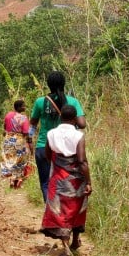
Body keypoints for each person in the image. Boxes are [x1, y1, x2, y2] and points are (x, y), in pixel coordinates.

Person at [40, 104, 92, 256]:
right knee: (77, 209)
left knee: (61, 211)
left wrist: (59, 167)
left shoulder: (51, 133)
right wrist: (88, 181)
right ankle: (75, 240)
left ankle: (66, 247)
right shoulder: (78, 136)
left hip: (59, 178)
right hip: (76, 179)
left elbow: (48, 155)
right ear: (75, 119)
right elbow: (82, 161)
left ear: (60, 117)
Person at [29, 71, 86, 202]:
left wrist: (29, 140)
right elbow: (82, 124)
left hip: (43, 146)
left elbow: (32, 124)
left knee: (46, 183)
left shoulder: (40, 102)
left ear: (48, 85)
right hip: (67, 149)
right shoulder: (72, 101)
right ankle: (65, 213)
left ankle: (50, 212)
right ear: (63, 84)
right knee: (66, 181)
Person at [0, 99, 33, 189]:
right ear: (19, 107)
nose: (24, 107)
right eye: (23, 106)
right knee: (19, 160)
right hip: (19, 140)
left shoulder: (8, 115)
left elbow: (5, 127)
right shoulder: (23, 118)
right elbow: (26, 132)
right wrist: (30, 142)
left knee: (10, 159)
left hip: (8, 139)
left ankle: (11, 179)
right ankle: (17, 181)